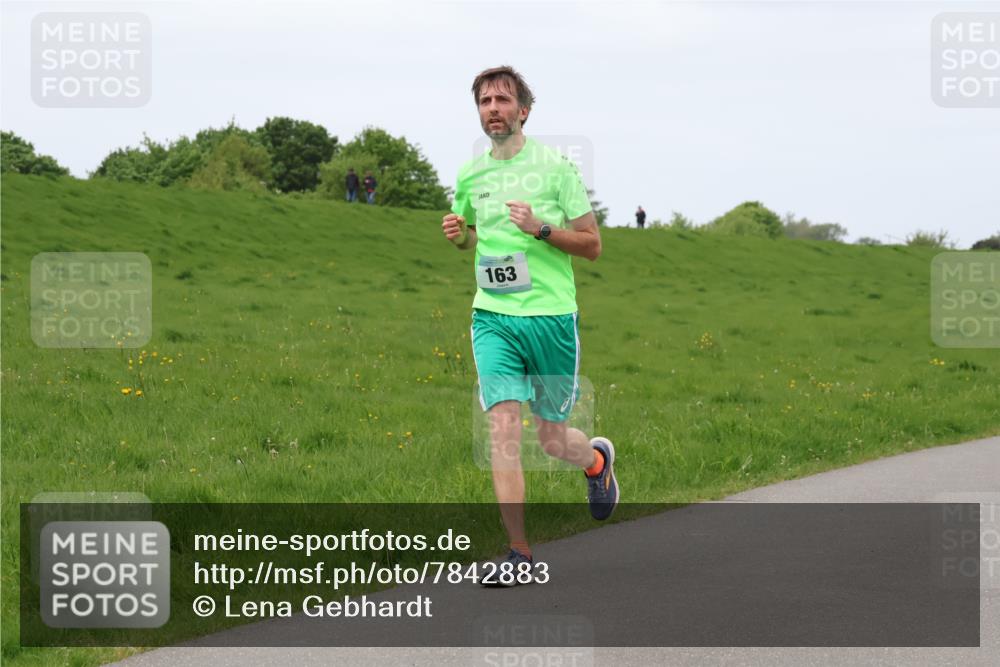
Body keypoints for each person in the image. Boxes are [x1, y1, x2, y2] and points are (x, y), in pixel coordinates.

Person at [441, 65, 620, 587]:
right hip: (492, 316)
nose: (492, 108)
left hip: (550, 319)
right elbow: (475, 238)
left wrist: (540, 229)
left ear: (523, 110)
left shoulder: (555, 169)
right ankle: (519, 553)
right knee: (501, 431)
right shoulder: (470, 174)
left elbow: (592, 246)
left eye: (503, 99)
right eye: (484, 100)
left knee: (550, 439)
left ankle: (595, 460)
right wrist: (459, 236)